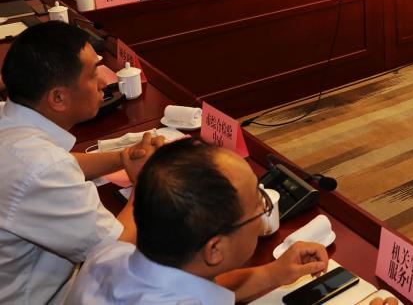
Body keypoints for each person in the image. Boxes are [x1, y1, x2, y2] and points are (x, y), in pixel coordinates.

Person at [0, 22, 162, 304]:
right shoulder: (43, 167)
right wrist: (144, 183)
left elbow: (61, 161)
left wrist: (122, 157)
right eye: (93, 74)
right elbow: (114, 251)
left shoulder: (10, 117)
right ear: (58, 97)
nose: (104, 83)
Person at [65, 139, 329, 304]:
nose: (263, 209)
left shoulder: (109, 255)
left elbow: (197, 286)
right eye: (259, 207)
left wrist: (274, 273)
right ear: (215, 249)